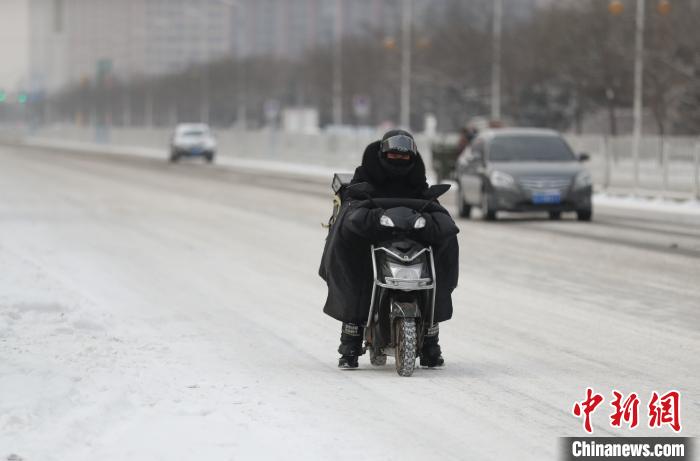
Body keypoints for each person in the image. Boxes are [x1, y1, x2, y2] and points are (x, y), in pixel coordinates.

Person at [319, 130, 460, 369]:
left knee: (446, 241)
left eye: (404, 157)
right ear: (383, 153)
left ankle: (430, 339)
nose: (399, 160)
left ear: (412, 157)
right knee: (347, 242)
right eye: (393, 154)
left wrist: (434, 220)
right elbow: (354, 202)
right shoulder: (367, 174)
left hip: (410, 232)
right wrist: (367, 218)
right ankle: (350, 338)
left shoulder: (416, 176)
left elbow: (427, 198)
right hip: (374, 231)